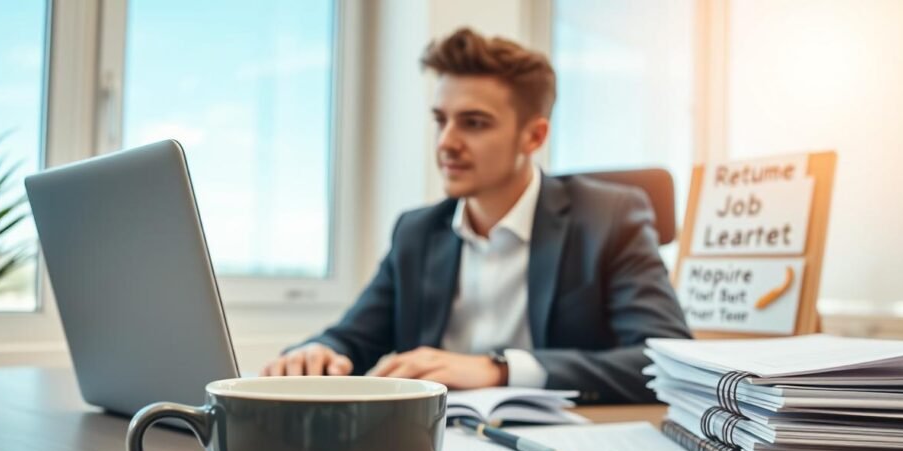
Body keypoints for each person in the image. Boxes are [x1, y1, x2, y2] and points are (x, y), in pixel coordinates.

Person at [261, 27, 691, 403]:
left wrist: (499, 369)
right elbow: (352, 338)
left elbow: (664, 358)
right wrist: (317, 351)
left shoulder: (609, 216)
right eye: (440, 120)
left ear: (534, 135)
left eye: (474, 123)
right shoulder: (417, 231)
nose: (446, 142)